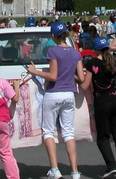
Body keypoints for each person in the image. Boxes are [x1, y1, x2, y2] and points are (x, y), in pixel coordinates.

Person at [26, 21, 84, 179]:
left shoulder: (53, 51)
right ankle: (75, 171)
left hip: (54, 93)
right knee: (68, 133)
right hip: (69, 94)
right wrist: (68, 73)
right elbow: (81, 77)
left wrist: (35, 71)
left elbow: (53, 76)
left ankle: (54, 169)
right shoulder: (75, 53)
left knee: (49, 132)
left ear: (53, 36)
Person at [80, 37, 116, 179]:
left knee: (103, 137)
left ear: (95, 49)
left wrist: (76, 78)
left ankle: (111, 166)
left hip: (101, 101)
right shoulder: (115, 62)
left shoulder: (92, 63)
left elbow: (85, 86)